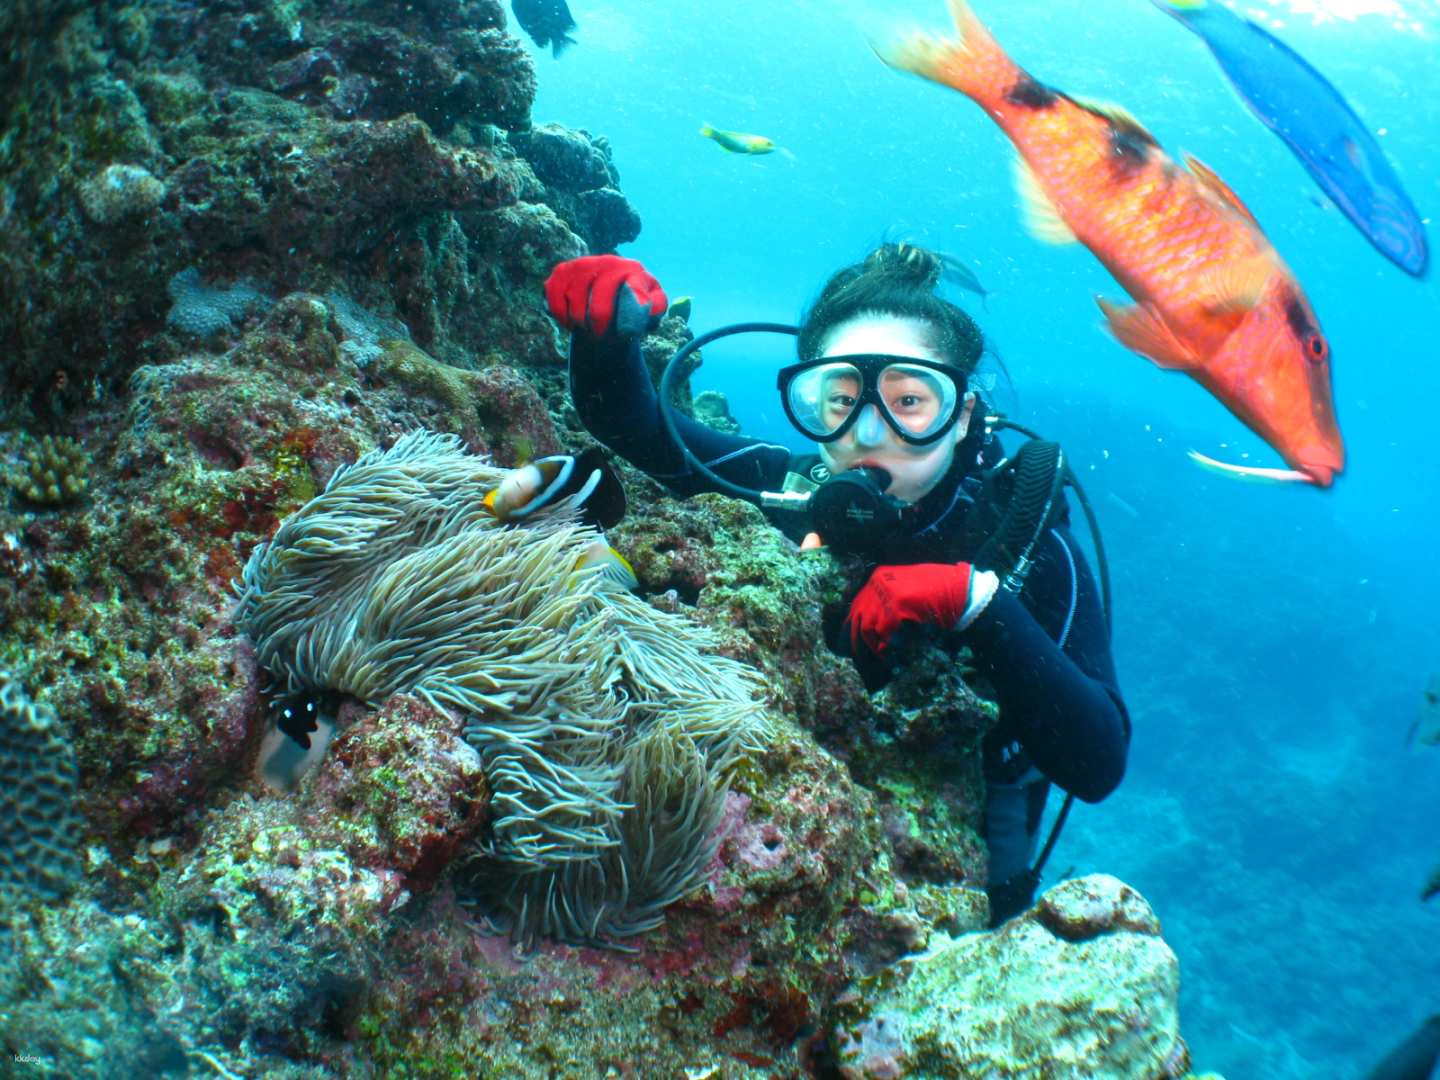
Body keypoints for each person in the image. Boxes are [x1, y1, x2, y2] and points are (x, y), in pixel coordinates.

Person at [543, 244, 1130, 924]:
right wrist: (604, 339)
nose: (869, 433)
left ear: (963, 415)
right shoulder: (794, 491)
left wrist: (980, 605)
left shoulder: (1027, 548)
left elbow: (1098, 765)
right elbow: (638, 427)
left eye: (909, 401)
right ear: (813, 405)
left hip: (956, 873)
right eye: (843, 401)